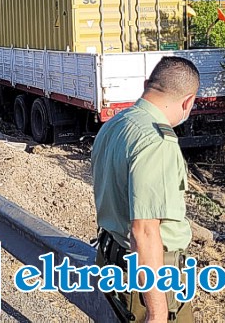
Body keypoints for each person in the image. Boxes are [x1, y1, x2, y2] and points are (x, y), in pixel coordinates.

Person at [91, 56, 200, 323]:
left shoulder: (116, 124)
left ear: (146, 85)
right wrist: (158, 312)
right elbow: (145, 231)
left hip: (111, 258)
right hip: (148, 277)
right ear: (187, 102)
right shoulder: (157, 142)